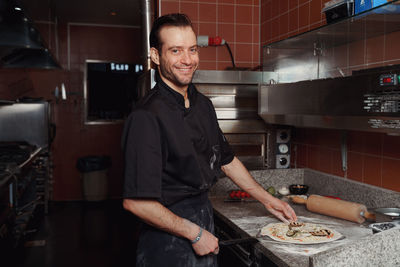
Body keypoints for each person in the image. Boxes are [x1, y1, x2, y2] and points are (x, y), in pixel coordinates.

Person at [122, 13, 297, 267]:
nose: (187, 60)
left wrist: (268, 200)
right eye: (176, 51)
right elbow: (136, 203)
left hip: (204, 223)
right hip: (167, 243)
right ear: (156, 56)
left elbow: (226, 160)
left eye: (192, 49)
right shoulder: (146, 117)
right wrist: (194, 233)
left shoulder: (202, 104)